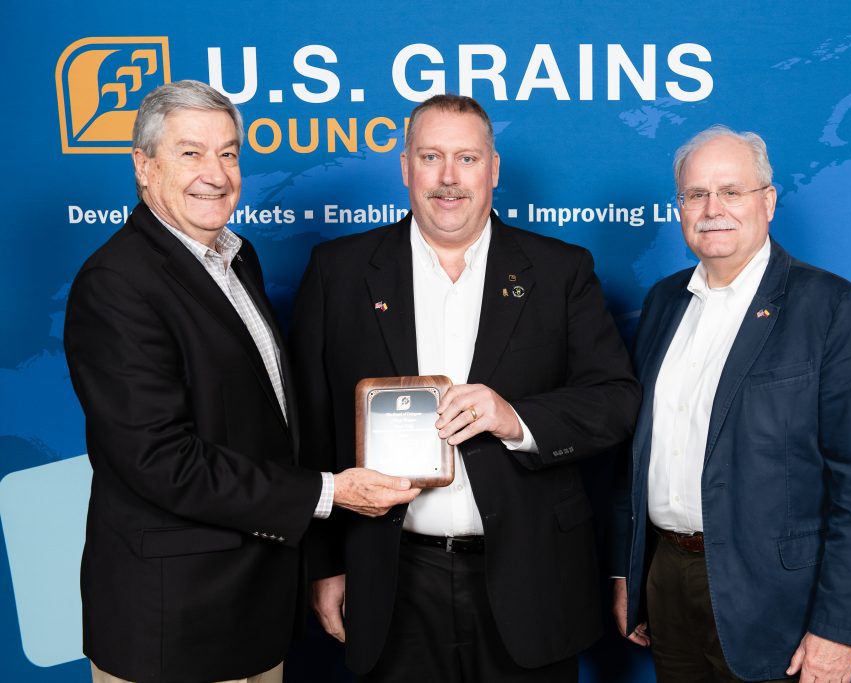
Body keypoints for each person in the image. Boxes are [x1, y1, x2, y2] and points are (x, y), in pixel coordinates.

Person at [64, 80, 416, 683]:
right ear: (144, 168)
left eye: (228, 153)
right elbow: (159, 460)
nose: (216, 173)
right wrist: (329, 493)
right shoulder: (117, 284)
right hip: (173, 623)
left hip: (252, 609)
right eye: (191, 153)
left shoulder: (234, 257)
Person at [291, 94, 641, 682]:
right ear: (405, 166)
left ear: (494, 169)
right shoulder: (340, 271)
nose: (449, 178)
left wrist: (518, 420)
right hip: (391, 578)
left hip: (530, 580)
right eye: (430, 156)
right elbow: (312, 426)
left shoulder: (560, 271)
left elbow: (616, 400)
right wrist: (324, 565)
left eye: (467, 159)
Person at [610, 125, 851, 682]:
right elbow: (634, 450)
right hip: (668, 580)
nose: (712, 208)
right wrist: (627, 572)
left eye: (731, 191)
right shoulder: (664, 302)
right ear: (680, 208)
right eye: (696, 194)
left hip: (778, 602)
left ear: (767, 201)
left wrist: (839, 628)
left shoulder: (834, 309)